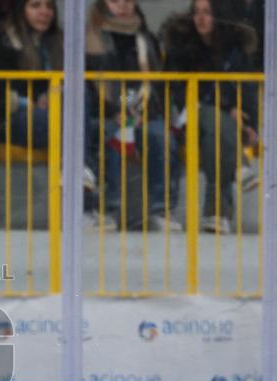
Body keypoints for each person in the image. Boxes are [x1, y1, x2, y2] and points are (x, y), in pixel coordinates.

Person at [163, 0, 260, 234]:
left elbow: (246, 91)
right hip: (188, 117)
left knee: (214, 140)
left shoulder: (235, 52)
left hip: (220, 127)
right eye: (196, 12)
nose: (201, 18)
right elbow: (181, 92)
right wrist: (228, 108)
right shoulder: (181, 49)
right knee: (212, 116)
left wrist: (249, 125)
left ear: (219, 16)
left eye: (207, 13)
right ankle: (236, 172)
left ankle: (215, 217)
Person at [84, 0, 180, 232]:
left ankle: (161, 210)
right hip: (107, 113)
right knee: (112, 136)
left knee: (161, 137)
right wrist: (118, 110)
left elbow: (154, 84)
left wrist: (136, 110)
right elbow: (90, 87)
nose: (124, 5)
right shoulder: (89, 38)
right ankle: (106, 209)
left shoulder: (146, 38)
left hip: (141, 111)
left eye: (128, 0)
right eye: (116, 1)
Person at [0, 0, 63, 150]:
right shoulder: (2, 41)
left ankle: (80, 167)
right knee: (62, 121)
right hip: (8, 117)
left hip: (49, 112)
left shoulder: (58, 42)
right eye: (35, 5)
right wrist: (33, 101)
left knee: (97, 127)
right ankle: (76, 168)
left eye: (49, 6)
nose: (44, 12)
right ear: (21, 10)